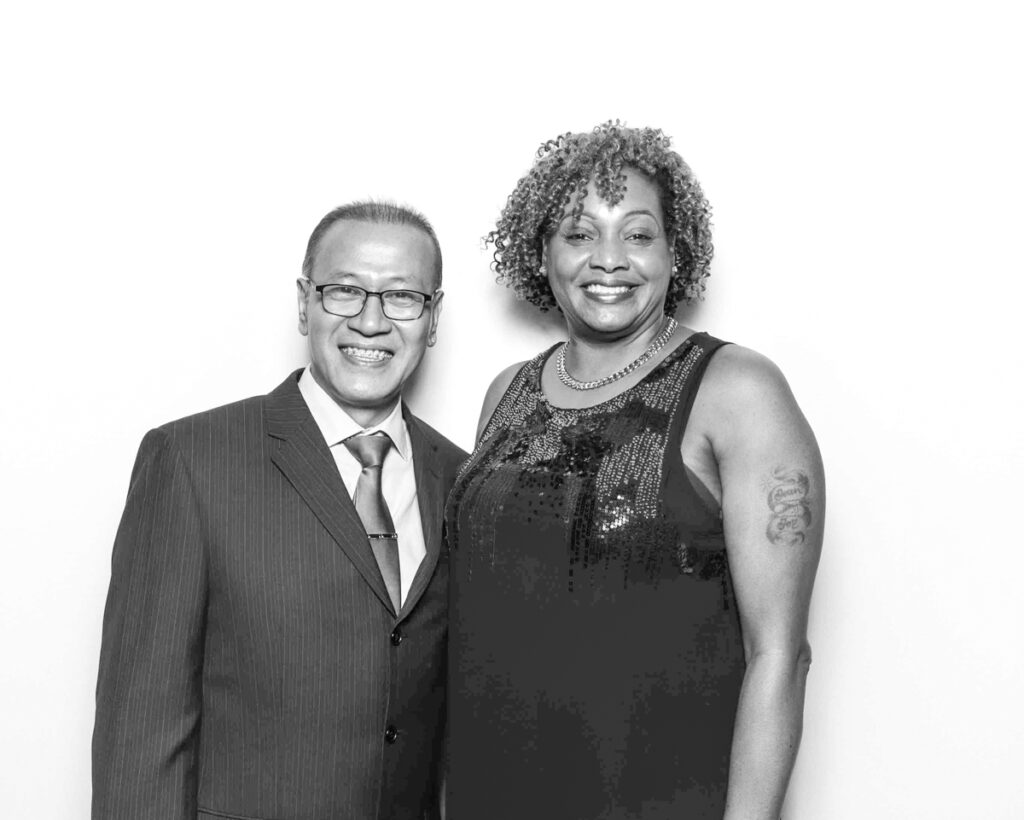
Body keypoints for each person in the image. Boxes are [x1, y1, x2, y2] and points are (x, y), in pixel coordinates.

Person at [446, 123, 824, 819]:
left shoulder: (737, 390)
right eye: (580, 233)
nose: (610, 260)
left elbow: (779, 653)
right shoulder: (507, 393)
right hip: (488, 794)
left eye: (639, 235)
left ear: (676, 253)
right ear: (542, 252)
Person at [93, 201, 466, 820]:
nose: (371, 322)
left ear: (433, 318)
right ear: (304, 303)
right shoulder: (191, 462)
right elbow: (141, 729)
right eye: (344, 292)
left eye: (402, 297)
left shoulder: (461, 479)